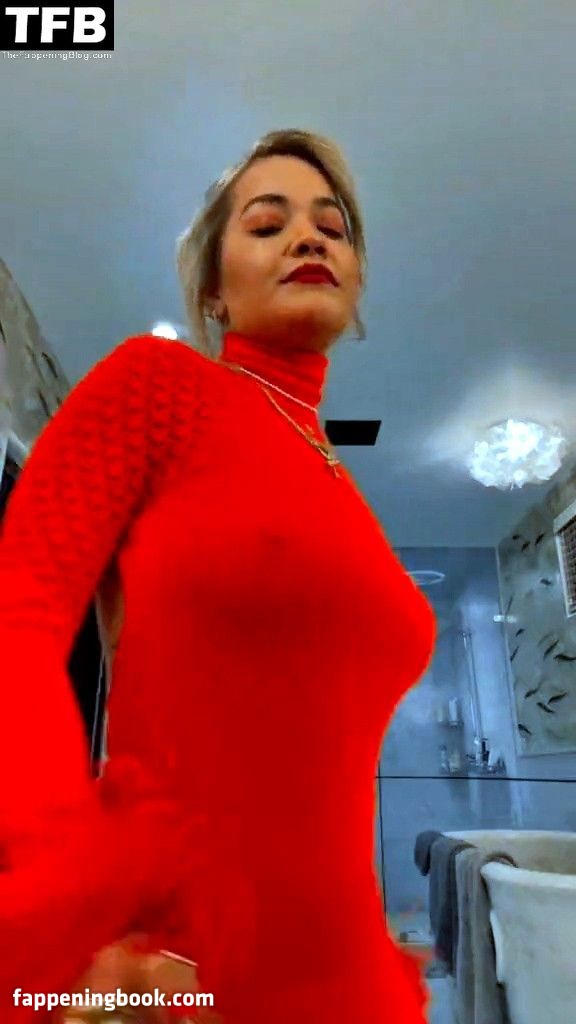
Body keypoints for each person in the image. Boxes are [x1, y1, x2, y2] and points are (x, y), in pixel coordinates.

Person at [0, 129, 436, 1022]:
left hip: (349, 971)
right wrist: (68, 886)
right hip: (182, 969)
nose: (309, 238)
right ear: (211, 287)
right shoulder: (158, 388)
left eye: (333, 228)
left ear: (356, 279)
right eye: (268, 224)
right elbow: (19, 613)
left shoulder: (341, 487)